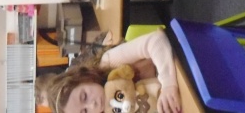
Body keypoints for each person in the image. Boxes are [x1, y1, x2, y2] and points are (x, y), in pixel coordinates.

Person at [46, 29, 181, 113]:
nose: (92, 105)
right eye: (85, 112)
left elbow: (156, 40)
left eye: (84, 96)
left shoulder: (110, 61)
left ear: (83, 78)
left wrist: (168, 86)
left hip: (181, 69)